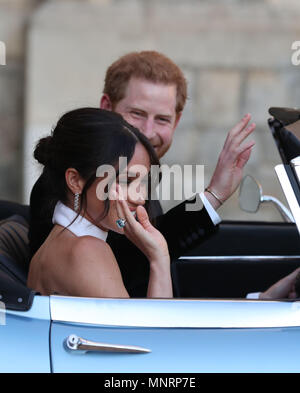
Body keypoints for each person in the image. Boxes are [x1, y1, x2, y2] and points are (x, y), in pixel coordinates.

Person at [28, 51, 255, 296]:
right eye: (137, 114)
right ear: (107, 107)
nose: (147, 131)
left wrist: (260, 299)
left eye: (162, 119)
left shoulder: (84, 222)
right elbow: (129, 269)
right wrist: (158, 257)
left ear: (176, 122)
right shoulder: (65, 204)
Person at [27, 108, 173, 298]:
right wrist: (159, 260)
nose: (140, 198)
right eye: (126, 181)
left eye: (143, 182)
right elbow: (151, 329)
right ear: (75, 181)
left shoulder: (55, 244)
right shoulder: (87, 251)